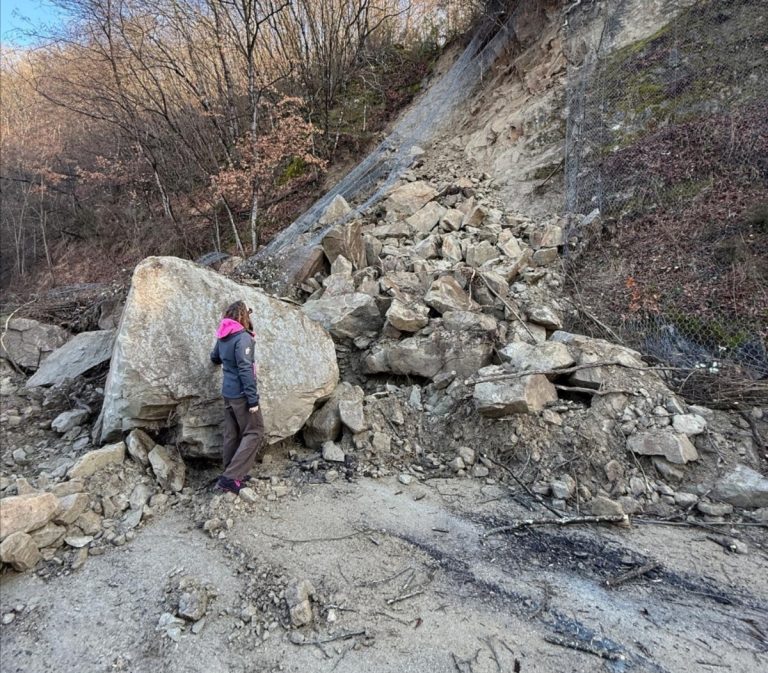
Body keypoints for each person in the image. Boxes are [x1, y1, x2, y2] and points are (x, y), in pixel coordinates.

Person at [210, 300, 264, 493]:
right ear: (244, 316)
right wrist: (252, 399)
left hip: (228, 392)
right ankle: (231, 477)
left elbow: (215, 357)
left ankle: (231, 471)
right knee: (255, 431)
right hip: (241, 394)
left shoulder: (223, 335)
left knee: (231, 434)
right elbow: (245, 369)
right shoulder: (243, 338)